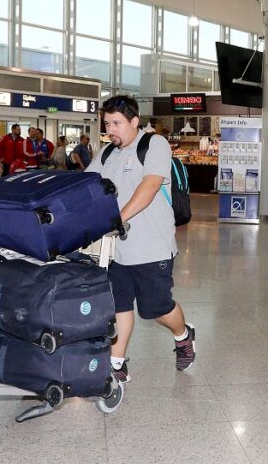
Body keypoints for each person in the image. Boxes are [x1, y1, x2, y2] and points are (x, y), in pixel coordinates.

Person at [86, 95, 196, 382]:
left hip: (152, 247)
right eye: (107, 124)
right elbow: (85, 184)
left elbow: (150, 186)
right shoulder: (107, 153)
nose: (111, 129)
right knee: (118, 306)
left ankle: (183, 335)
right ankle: (116, 364)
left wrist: (118, 218)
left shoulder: (154, 144)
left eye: (117, 123)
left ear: (134, 122)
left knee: (157, 310)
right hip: (116, 249)